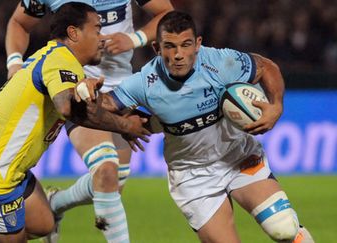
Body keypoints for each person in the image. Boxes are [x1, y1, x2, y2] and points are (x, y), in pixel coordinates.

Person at [0, 3, 150, 243]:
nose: (102, 38)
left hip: (6, 169)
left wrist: (119, 118)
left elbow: (81, 102)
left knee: (43, 223)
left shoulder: (55, 57)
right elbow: (68, 108)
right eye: (97, 30)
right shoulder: (61, 61)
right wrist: (124, 126)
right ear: (74, 33)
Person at [75, 10, 315, 243]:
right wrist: (98, 102)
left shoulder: (220, 62)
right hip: (193, 177)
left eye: (186, 44)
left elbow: (265, 66)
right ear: (157, 49)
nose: (179, 54)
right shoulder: (144, 82)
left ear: (198, 44)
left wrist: (276, 106)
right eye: (170, 46)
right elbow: (107, 105)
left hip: (238, 158)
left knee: (283, 227)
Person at [6, 0, 173, 242]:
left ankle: (56, 203)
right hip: (75, 85)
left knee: (113, 182)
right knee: (105, 170)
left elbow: (166, 12)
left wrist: (134, 39)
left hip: (122, 90)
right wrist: (14, 64)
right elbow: (19, 23)